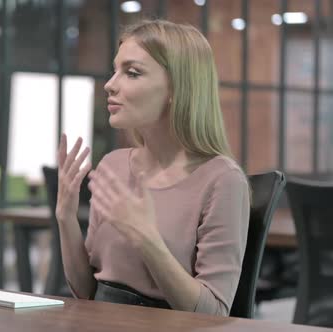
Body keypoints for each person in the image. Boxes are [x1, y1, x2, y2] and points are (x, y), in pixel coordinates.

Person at [55, 19, 250, 316]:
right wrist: (65, 217)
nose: (110, 84)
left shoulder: (223, 180)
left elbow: (213, 314)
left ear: (176, 88)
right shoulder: (113, 165)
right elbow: (86, 292)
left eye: (132, 73)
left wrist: (146, 238)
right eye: (115, 70)